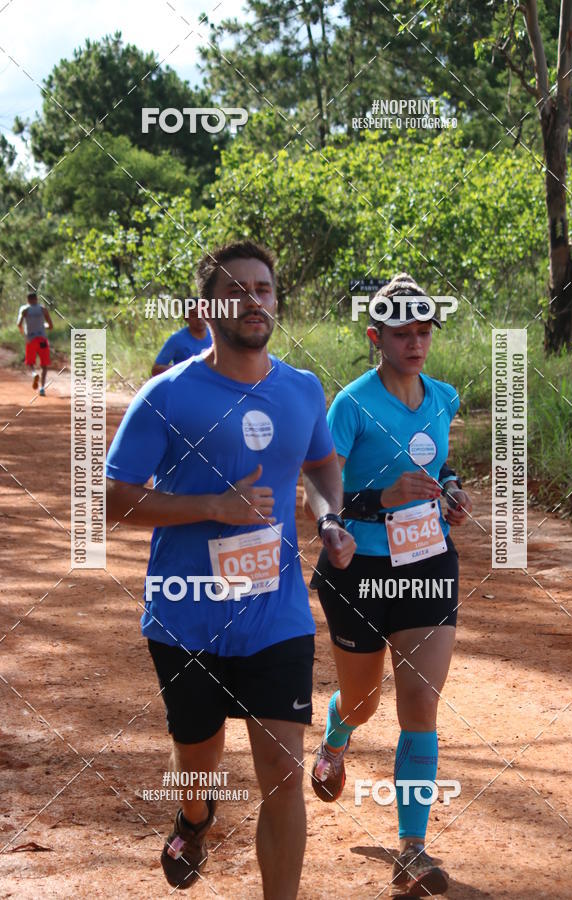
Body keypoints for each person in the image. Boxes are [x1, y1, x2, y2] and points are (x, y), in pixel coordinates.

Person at [105, 240, 355, 897]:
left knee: (281, 768)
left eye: (264, 288)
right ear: (205, 307)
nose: (253, 300)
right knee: (200, 756)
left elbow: (322, 463)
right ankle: (195, 817)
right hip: (186, 615)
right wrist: (213, 504)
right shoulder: (168, 396)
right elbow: (113, 497)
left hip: (275, 616)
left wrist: (329, 516)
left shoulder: (301, 389)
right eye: (236, 289)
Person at [307, 273, 472, 897]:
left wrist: (450, 492)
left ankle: (413, 848)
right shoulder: (348, 405)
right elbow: (320, 489)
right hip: (359, 572)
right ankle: (337, 735)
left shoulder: (444, 397)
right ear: (375, 336)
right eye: (402, 333)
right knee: (363, 702)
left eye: (424, 332)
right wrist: (375, 501)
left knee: (420, 705)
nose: (415, 343)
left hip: (428, 563)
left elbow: (439, 467)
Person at [151, 299, 213, 376]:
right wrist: (185, 369)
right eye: (194, 315)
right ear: (186, 318)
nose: (200, 318)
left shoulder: (216, 336)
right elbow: (156, 370)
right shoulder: (177, 340)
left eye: (203, 313)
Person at [17, 291, 53, 395]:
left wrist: (24, 334)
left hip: (31, 340)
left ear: (28, 300)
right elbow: (50, 326)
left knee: (30, 362)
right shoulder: (43, 309)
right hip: (42, 339)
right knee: (45, 364)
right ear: (36, 299)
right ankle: (42, 388)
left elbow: (19, 324)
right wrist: (43, 326)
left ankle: (33, 374)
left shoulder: (25, 309)